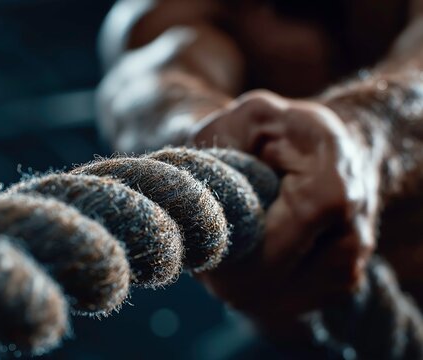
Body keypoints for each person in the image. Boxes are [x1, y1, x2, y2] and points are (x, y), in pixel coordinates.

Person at [97, 0, 423, 356]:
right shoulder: (180, 11)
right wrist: (199, 138)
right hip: (301, 330)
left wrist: (361, 135)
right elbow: (145, 83)